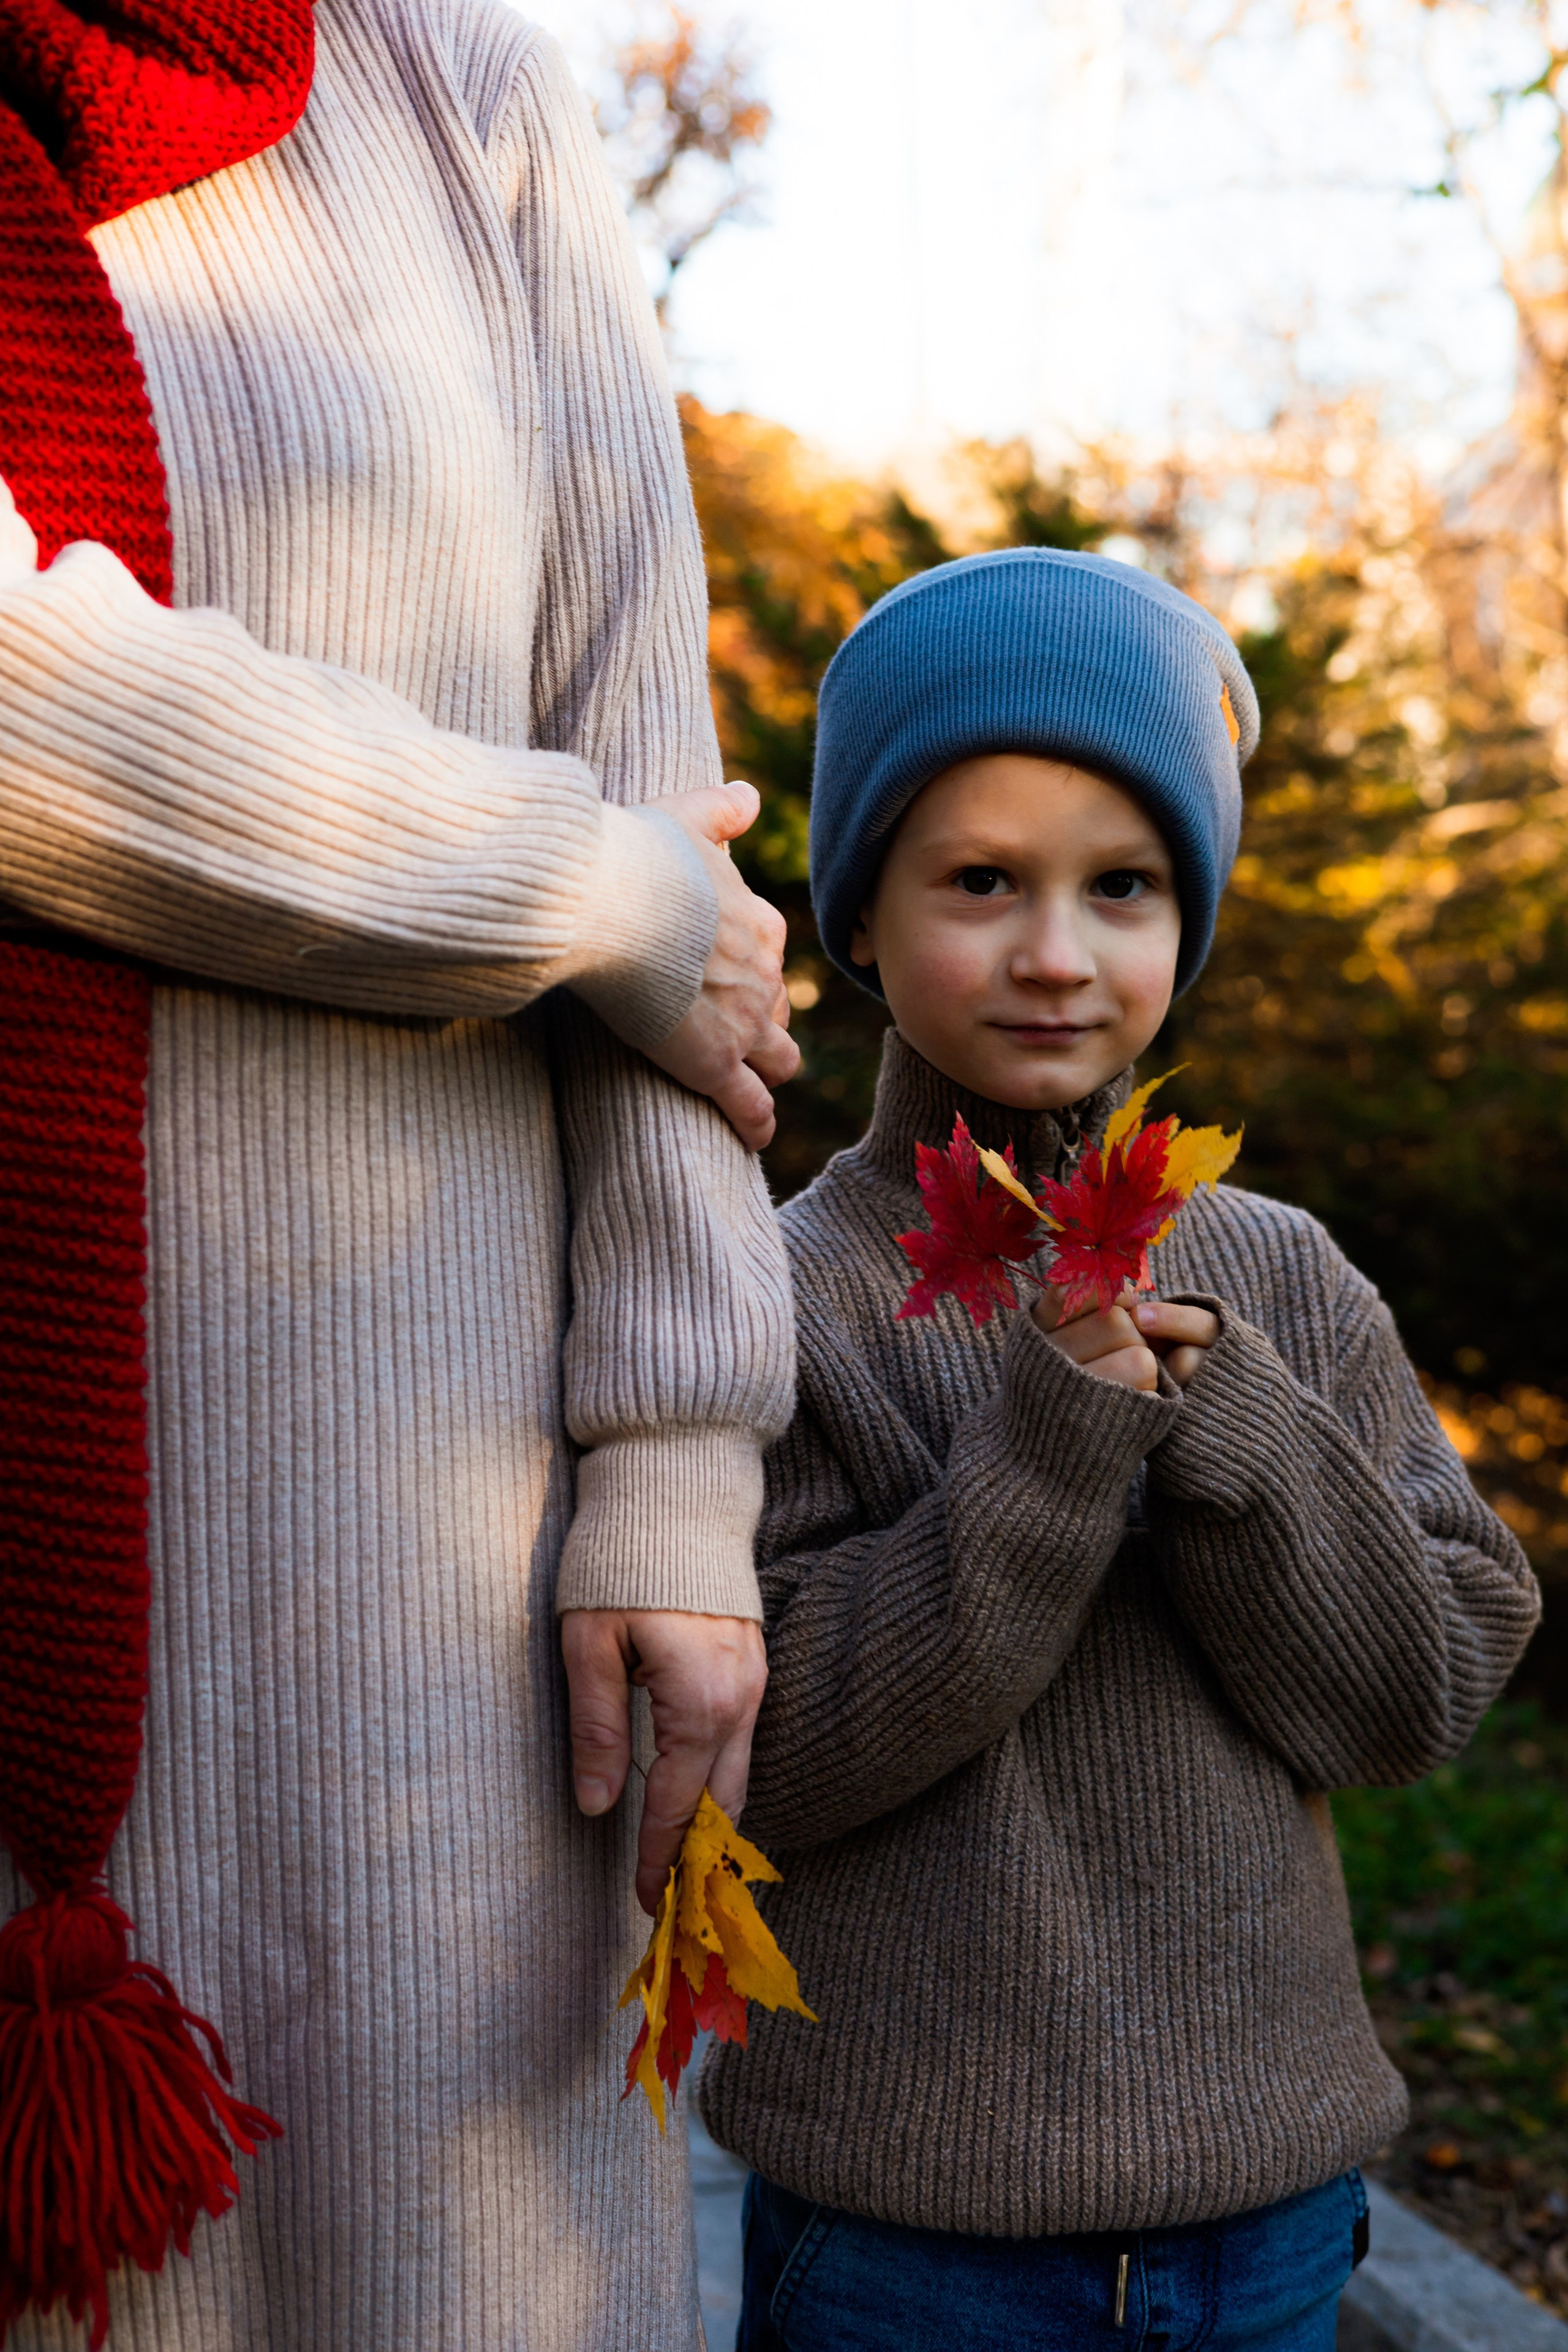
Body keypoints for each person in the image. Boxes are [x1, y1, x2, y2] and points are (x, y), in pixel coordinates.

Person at [0, 3, 797, 2346]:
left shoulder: (457, 89)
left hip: (445, 1584)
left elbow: (655, 748)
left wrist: (675, 1457)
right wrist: (599, 896)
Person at [698, 549, 1542, 2351]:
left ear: (1191, 916)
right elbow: (748, 1762)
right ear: (860, 915)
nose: (1058, 954)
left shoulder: (1272, 1271)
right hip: (909, 2242)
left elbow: (1413, 1697)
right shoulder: (784, 1291)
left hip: (1270, 2224)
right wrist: (1050, 1462)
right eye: (981, 881)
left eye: (1127, 886)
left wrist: (1234, 1429)